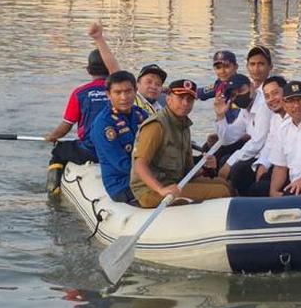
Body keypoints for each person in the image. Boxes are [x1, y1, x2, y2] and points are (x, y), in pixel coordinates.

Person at [131, 79, 233, 208]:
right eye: (180, 98)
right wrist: (161, 189)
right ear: (169, 99)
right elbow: (139, 165)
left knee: (224, 184)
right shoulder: (157, 126)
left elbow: (187, 170)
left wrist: (205, 166)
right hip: (151, 190)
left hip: (176, 181)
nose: (185, 103)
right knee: (221, 192)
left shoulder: (183, 125)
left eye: (189, 100)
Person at [45, 43, 110, 194]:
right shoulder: (123, 91)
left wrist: (52, 136)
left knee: (59, 151)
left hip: (89, 150)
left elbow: (66, 126)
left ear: (88, 70)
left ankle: (53, 189)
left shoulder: (80, 93)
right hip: (116, 149)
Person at [90, 71, 149, 204]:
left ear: (136, 91)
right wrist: (158, 175)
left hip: (145, 174)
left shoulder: (140, 114)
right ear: (108, 94)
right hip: (122, 185)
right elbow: (122, 164)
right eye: (118, 92)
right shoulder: (104, 125)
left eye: (128, 91)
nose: (124, 97)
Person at [86, 21, 168, 114]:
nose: (153, 87)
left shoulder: (161, 106)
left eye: (158, 84)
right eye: (148, 82)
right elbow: (115, 71)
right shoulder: (131, 100)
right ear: (137, 85)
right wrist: (99, 39)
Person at [225, 75, 286, 196]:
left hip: (293, 168)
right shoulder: (276, 117)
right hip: (276, 161)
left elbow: (259, 142)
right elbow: (271, 142)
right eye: (267, 96)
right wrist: (220, 117)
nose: (271, 99)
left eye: (275, 93)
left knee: (241, 172)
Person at [211, 72, 253, 168]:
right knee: (215, 149)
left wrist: (229, 163)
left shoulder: (262, 106)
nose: (238, 96)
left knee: (236, 170)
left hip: (266, 155)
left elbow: (258, 142)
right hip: (253, 151)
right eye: (234, 94)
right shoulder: (245, 110)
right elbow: (227, 139)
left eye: (241, 90)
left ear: (251, 87)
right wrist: (220, 116)